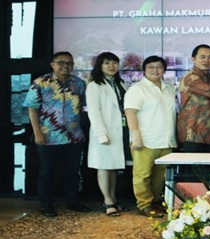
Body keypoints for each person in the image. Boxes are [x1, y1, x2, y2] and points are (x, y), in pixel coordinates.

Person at [22, 51, 90, 217]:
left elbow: (85, 107)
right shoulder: (41, 83)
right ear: (52, 64)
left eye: (69, 63)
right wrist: (37, 133)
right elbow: (32, 109)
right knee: (47, 172)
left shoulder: (79, 83)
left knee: (73, 172)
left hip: (74, 136)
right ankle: (46, 204)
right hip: (48, 136)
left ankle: (73, 201)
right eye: (61, 62)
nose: (66, 66)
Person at [124, 55, 178, 218]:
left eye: (159, 67)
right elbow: (130, 112)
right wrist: (136, 136)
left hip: (166, 139)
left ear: (164, 70)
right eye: (151, 67)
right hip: (146, 139)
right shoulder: (137, 89)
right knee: (143, 174)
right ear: (144, 70)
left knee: (160, 176)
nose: (155, 70)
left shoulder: (169, 88)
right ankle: (144, 204)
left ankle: (155, 201)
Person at [86, 52, 130, 216]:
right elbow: (94, 112)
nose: (111, 66)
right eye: (106, 63)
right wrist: (101, 134)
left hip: (120, 130)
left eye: (114, 63)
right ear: (100, 66)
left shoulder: (121, 83)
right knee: (104, 167)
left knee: (113, 167)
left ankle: (114, 199)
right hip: (104, 131)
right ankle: (107, 201)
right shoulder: (94, 85)